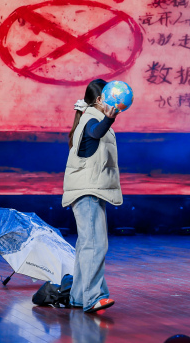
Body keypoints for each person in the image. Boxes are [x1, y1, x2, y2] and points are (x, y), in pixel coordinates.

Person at [63, 79, 122, 313]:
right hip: (87, 191)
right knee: (95, 245)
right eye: (109, 97)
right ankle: (93, 297)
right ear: (99, 100)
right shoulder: (92, 120)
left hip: (89, 190)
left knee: (87, 245)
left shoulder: (88, 117)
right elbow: (96, 133)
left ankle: (79, 297)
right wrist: (109, 118)